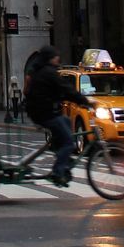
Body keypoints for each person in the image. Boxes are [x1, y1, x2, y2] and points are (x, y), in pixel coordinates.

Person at [23, 45, 93, 186]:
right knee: (69, 143)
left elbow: (62, 90)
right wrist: (84, 101)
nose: (58, 58)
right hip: (45, 114)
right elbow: (66, 89)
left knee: (66, 122)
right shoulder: (49, 72)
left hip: (41, 112)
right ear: (50, 58)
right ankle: (58, 172)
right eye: (56, 56)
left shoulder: (42, 71)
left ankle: (61, 154)